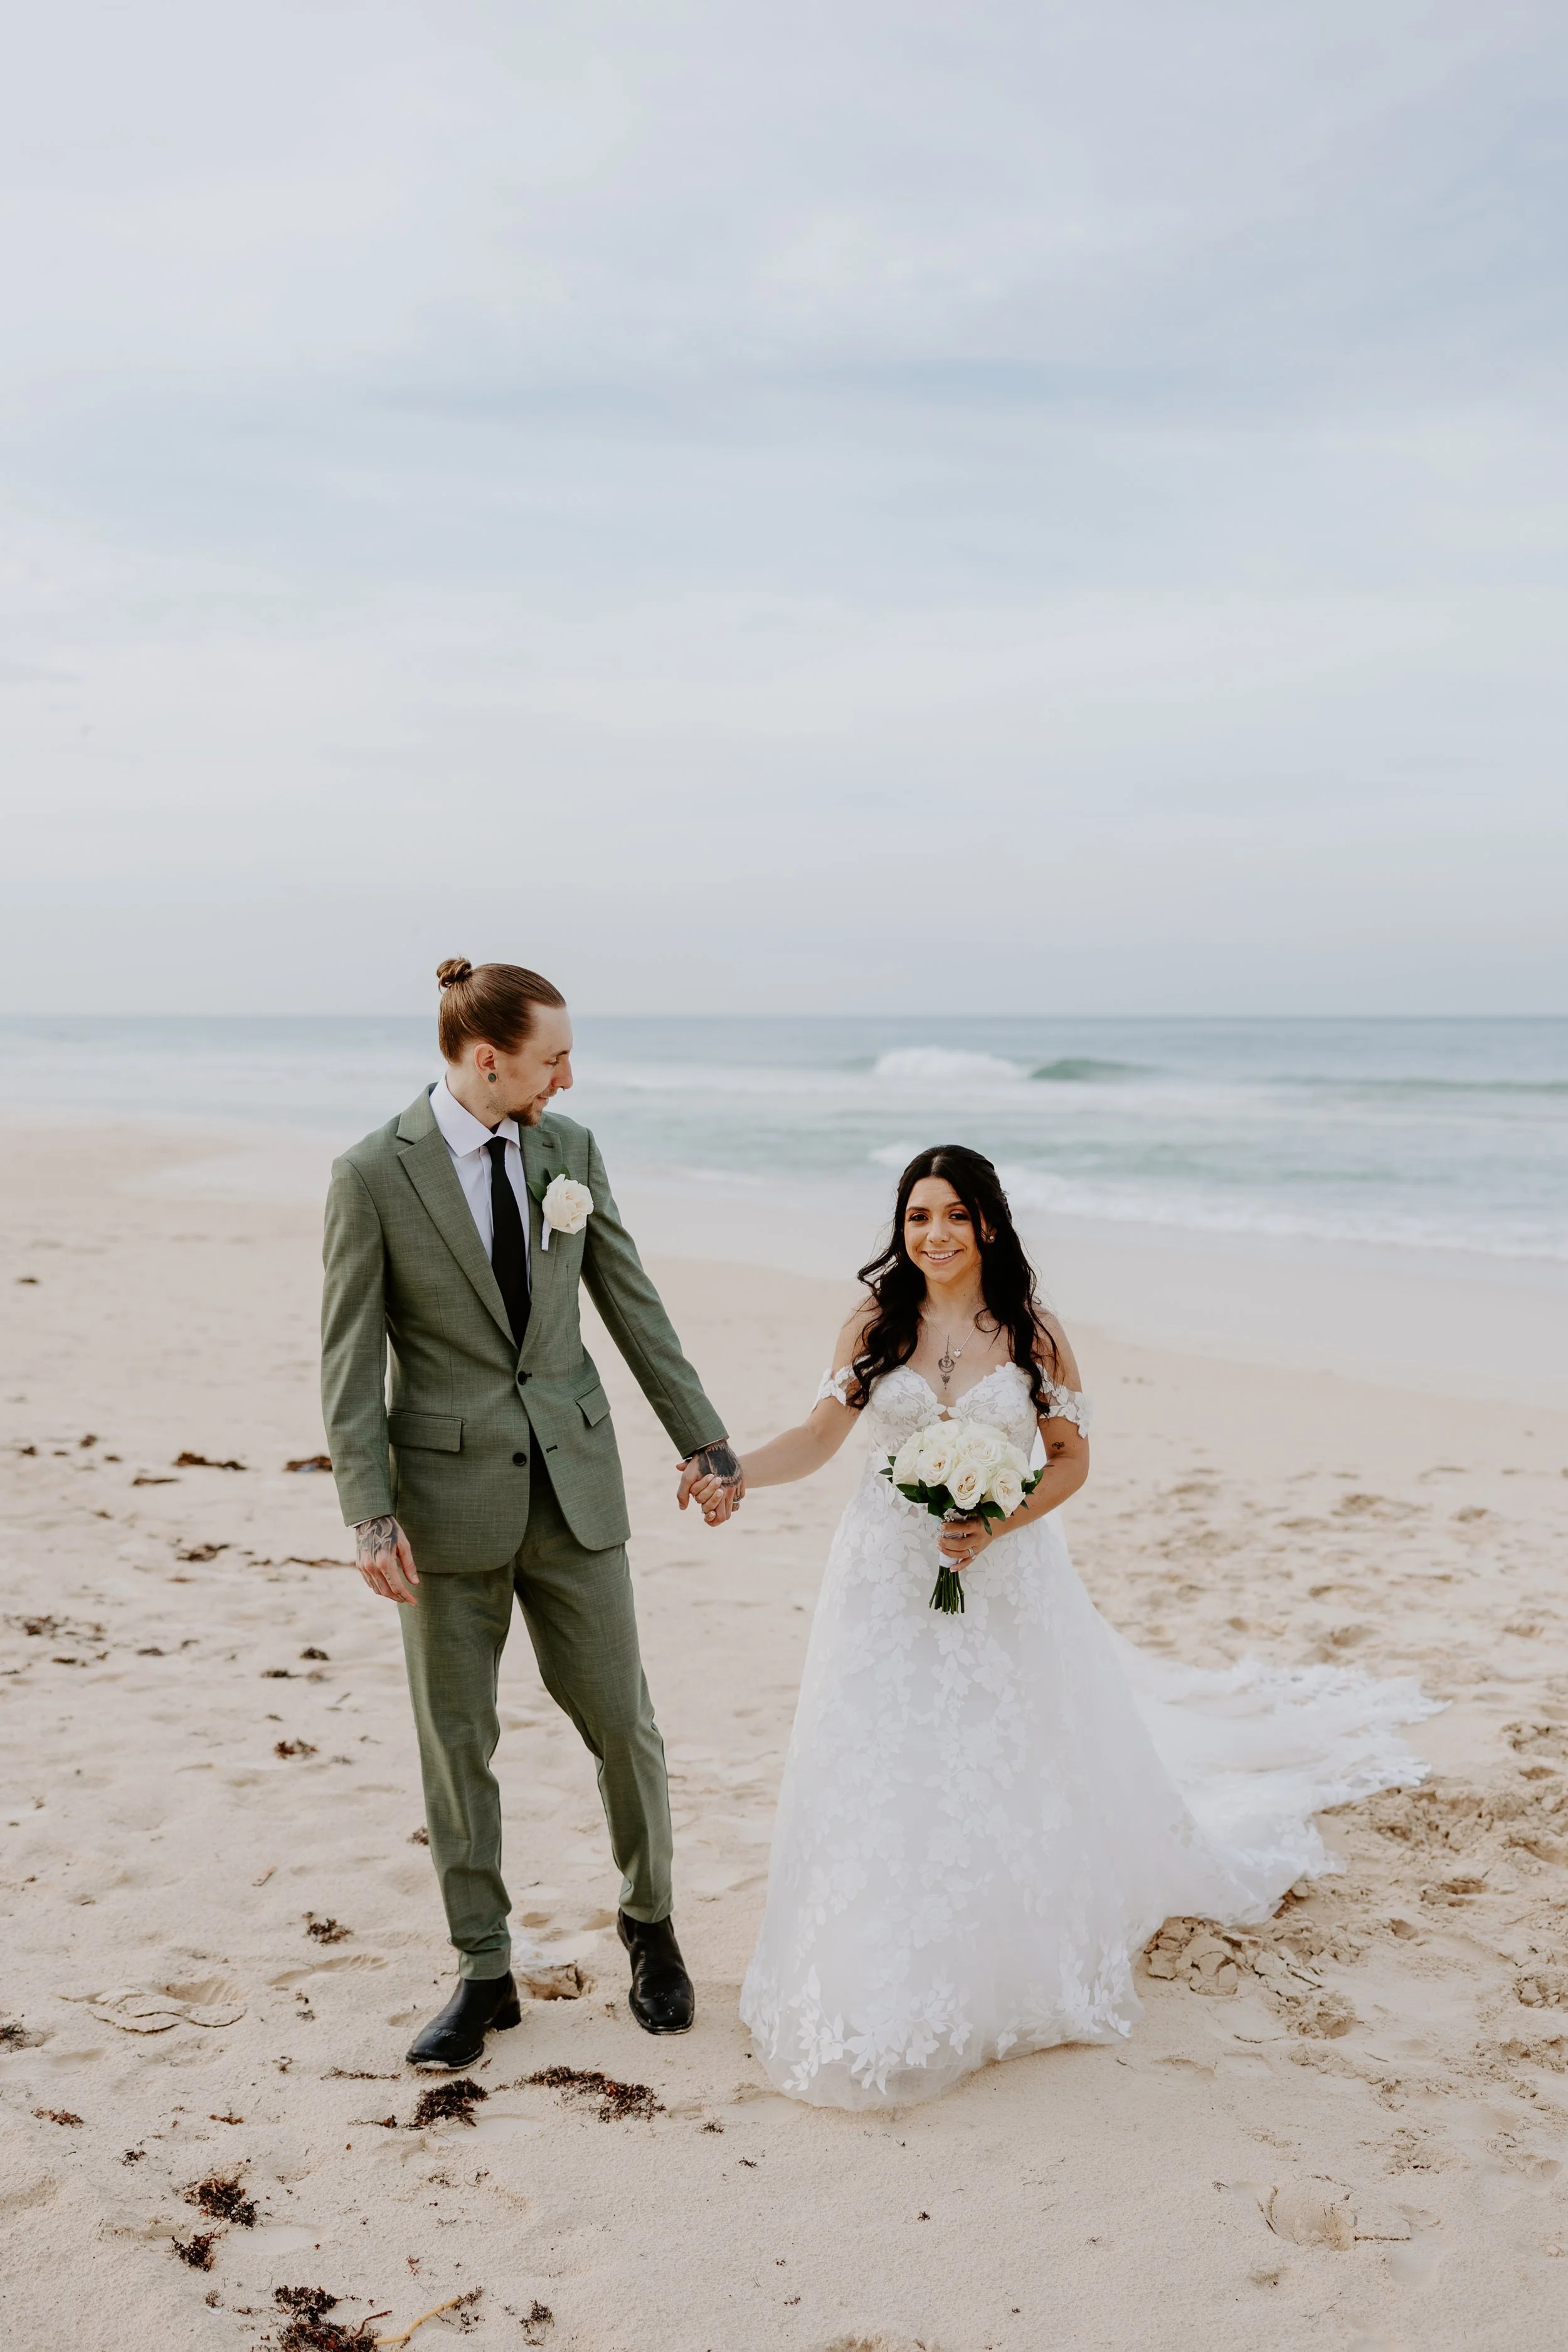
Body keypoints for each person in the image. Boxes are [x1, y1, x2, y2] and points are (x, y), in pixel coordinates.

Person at [694, 1145, 1434, 2108]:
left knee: (1001, 1753)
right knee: (882, 1754)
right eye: (918, 1216)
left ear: (989, 1223)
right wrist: (739, 1469)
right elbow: (819, 1437)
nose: (935, 1233)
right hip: (882, 1577)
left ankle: (1002, 1944)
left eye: (955, 1214)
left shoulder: (1033, 1334)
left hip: (1003, 1576)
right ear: (901, 1228)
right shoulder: (873, 1325)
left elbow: (1071, 1460)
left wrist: (996, 1521)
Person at [320, 958, 743, 2069]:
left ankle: (651, 1929)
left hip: (578, 1486)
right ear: (487, 1057)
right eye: (554, 1056)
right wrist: (369, 1514)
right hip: (443, 1506)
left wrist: (703, 1437)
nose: (570, 1074)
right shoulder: (371, 1174)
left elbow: (631, 1301)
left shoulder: (574, 1153)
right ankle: (483, 1971)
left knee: (625, 1723)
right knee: (458, 1743)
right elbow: (349, 1361)